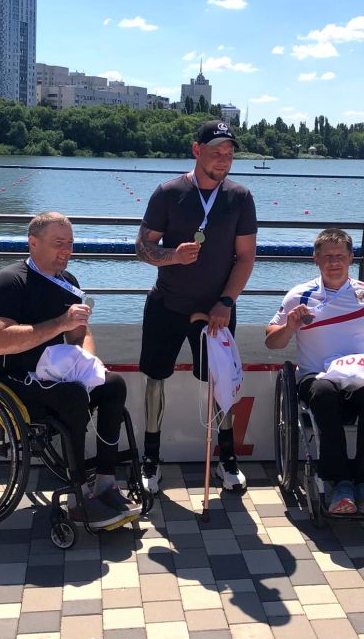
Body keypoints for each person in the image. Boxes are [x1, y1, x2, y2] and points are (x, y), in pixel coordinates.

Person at [0, 211, 140, 529]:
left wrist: (88, 365)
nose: (66, 251)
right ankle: (79, 494)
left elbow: (81, 334)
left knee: (113, 385)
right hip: (17, 378)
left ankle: (106, 482)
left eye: (70, 243)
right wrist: (59, 323)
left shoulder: (68, 283)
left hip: (59, 374)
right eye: (58, 243)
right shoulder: (8, 282)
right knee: (72, 396)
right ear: (33, 243)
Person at [136, 120, 257, 493]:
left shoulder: (240, 197)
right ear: (196, 150)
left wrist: (226, 302)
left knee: (220, 382)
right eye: (216, 151)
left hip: (215, 311)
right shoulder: (168, 193)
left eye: (229, 153)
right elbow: (142, 247)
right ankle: (151, 459)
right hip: (166, 305)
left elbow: (246, 258)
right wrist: (173, 255)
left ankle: (227, 460)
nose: (223, 159)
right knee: (155, 379)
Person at [265, 228, 364, 514]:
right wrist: (290, 327)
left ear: (351, 258)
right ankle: (340, 483)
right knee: (323, 393)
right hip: (316, 376)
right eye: (327, 256)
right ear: (315, 258)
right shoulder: (299, 296)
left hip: (360, 375)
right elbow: (272, 341)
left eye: (340, 256)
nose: (334, 262)